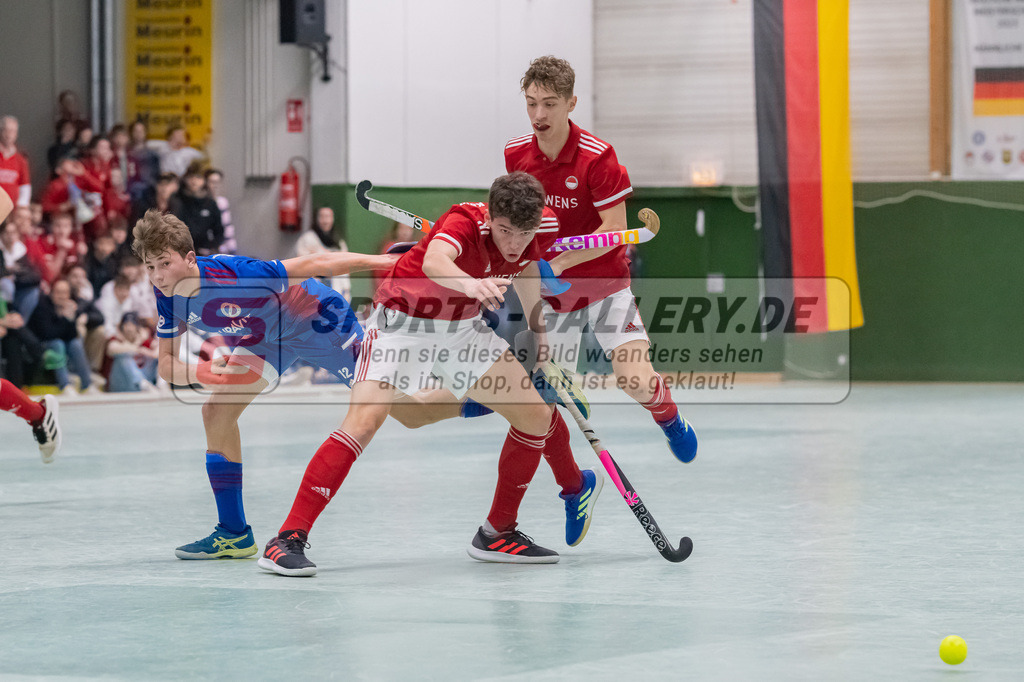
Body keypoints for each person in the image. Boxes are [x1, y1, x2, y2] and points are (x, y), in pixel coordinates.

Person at [258, 172, 602, 577]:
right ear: (491, 216)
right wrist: (471, 285)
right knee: (365, 422)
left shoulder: (533, 229)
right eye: (505, 231)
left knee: (536, 417)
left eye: (523, 234)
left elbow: (527, 269)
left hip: (463, 330)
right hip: (402, 323)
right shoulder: (462, 220)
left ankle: (498, 531)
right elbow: (436, 260)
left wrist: (537, 333)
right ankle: (286, 539)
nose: (513, 243)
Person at [132, 209, 450, 560]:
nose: (158, 276)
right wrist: (203, 373)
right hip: (266, 338)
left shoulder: (237, 275)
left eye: (164, 263)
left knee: (408, 412)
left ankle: (481, 400)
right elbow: (166, 365)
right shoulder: (166, 295)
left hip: (316, 319)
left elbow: (319, 261)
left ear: (190, 258)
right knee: (216, 412)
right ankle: (234, 533)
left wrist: (385, 262)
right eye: (150, 267)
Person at [504, 56, 697, 462]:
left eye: (550, 103)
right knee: (546, 399)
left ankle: (670, 418)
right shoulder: (515, 154)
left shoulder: (597, 156)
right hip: (552, 297)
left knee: (635, 380)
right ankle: (573, 485)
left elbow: (613, 232)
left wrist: (557, 264)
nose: (538, 114)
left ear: (571, 103)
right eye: (531, 102)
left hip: (604, 285)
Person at [28, 277, 97, 396]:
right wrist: (65, 319)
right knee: (57, 344)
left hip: (59, 343)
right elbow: (48, 334)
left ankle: (87, 384)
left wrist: (70, 317)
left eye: (65, 293)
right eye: (58, 292)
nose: (61, 296)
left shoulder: (69, 307)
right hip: (42, 346)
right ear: (51, 293)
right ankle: (65, 385)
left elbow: (72, 335)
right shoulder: (42, 306)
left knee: (75, 343)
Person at [295, 206, 350, 300]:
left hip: (335, 287)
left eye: (328, 217)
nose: (325, 221)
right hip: (315, 285)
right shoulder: (308, 239)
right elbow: (303, 264)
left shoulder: (339, 242)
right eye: (322, 216)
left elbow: (345, 267)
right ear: (317, 219)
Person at [172, 163, 223, 256]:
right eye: (190, 177)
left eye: (198, 177)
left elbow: (219, 231)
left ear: (204, 180)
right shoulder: (177, 201)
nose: (194, 181)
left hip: (204, 252)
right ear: (185, 179)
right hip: (179, 251)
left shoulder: (210, 203)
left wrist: (211, 248)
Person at [0, 115, 31, 208]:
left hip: (12, 210)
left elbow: (25, 185)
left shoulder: (21, 159)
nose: (9, 134)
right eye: (6, 130)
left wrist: (22, 206)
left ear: (16, 134)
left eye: (12, 131)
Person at [204, 168, 236, 255]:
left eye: (217, 182)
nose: (215, 185)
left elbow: (227, 225)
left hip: (223, 249)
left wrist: (232, 248)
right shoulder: (202, 203)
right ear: (205, 183)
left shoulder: (223, 202)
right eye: (212, 182)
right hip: (206, 250)